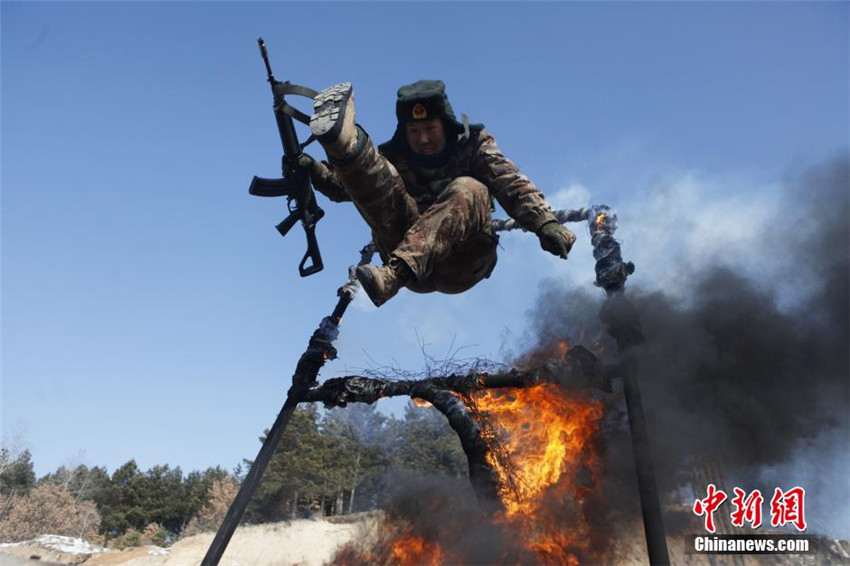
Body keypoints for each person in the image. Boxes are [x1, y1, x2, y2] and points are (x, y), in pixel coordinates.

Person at [300, 80, 575, 307]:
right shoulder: (395, 154)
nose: (423, 139)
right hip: (413, 265)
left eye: (430, 129)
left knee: (469, 187)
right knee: (379, 173)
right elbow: (346, 189)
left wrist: (544, 223)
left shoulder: (472, 144)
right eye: (414, 131)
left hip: (462, 261)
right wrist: (312, 169)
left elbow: (509, 181)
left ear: (445, 124)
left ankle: (393, 277)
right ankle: (345, 146)